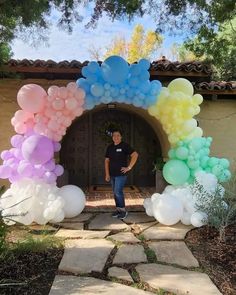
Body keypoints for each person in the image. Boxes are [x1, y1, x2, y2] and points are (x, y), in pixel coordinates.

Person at [105, 129, 138, 219]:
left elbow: (135, 155)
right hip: (112, 174)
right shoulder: (110, 147)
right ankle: (118, 210)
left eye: (118, 135)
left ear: (121, 137)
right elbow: (106, 161)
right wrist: (107, 174)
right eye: (114, 135)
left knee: (118, 192)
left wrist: (129, 167)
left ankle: (123, 211)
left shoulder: (125, 146)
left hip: (121, 174)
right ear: (112, 137)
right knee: (115, 193)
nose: (116, 137)